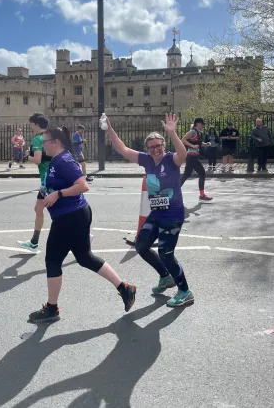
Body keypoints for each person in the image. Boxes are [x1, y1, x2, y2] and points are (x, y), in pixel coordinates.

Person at [28, 125, 136, 323]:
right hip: (73, 215)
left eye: (44, 141)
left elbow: (83, 185)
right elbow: (58, 185)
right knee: (84, 257)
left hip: (70, 217)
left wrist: (57, 194)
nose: (42, 145)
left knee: (52, 260)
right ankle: (124, 288)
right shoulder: (57, 160)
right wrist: (45, 193)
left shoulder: (64, 160)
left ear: (55, 142)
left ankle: (52, 309)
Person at [107, 113, 194, 308]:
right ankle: (165, 277)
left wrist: (172, 133)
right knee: (141, 246)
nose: (155, 150)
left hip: (173, 215)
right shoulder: (146, 160)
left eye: (158, 146)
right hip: (156, 214)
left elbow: (183, 155)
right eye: (152, 147)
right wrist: (110, 130)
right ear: (147, 149)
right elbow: (123, 149)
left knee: (166, 253)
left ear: (164, 145)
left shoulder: (172, 159)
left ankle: (185, 291)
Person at [17, 114, 51, 252]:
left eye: (31, 124)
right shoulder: (52, 136)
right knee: (38, 208)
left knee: (60, 213)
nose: (31, 127)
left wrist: (27, 156)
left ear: (36, 124)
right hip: (55, 176)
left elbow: (37, 159)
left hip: (48, 179)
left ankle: (84, 238)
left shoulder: (37, 139)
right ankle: (34, 242)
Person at [181, 118, 213, 202]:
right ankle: (202, 195)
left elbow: (198, 143)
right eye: (202, 124)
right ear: (198, 124)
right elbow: (183, 140)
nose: (202, 126)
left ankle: (174, 192)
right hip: (191, 157)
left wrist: (206, 144)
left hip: (192, 157)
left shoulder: (197, 133)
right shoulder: (193, 132)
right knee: (202, 174)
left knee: (186, 175)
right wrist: (192, 146)